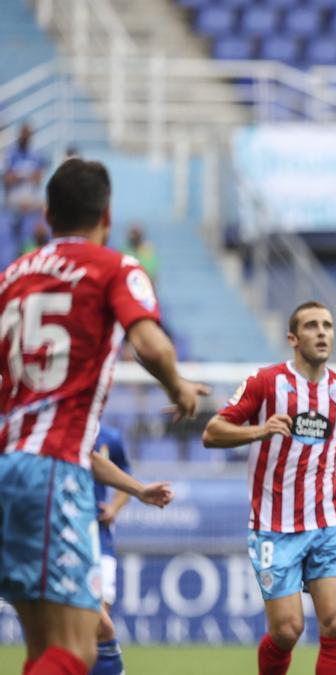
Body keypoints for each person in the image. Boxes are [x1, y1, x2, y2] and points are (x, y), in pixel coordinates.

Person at [0, 158, 205, 675]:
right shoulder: (114, 267)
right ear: (107, 216)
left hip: (8, 465)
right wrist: (178, 385)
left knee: (43, 649)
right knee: (76, 650)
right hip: (54, 470)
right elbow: (150, 343)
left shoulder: (11, 276)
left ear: (46, 215)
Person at [201, 301, 336, 675]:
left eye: (327, 325)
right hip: (273, 528)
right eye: (312, 326)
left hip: (328, 522)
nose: (322, 332)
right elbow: (212, 432)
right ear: (293, 338)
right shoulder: (264, 382)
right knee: (288, 630)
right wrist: (258, 430)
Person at [91, 425, 131, 675]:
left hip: (99, 538)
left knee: (100, 624)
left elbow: (125, 472)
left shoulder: (109, 438)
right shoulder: (59, 431)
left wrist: (115, 507)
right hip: (58, 537)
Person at [3, 124, 47, 263]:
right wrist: (26, 176)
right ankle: (17, 250)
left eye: (28, 135)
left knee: (45, 208)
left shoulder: (35, 155)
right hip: (14, 198)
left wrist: (20, 175)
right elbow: (8, 179)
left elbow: (39, 178)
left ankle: (39, 248)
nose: (26, 138)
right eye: (24, 135)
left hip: (31, 198)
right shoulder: (11, 154)